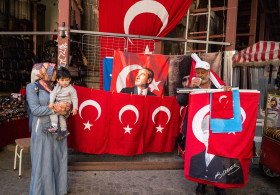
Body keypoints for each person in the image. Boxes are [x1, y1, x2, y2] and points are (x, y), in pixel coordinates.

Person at [177, 60, 232, 195]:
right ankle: (201, 183)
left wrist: (227, 91)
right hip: (198, 126)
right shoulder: (192, 86)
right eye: (198, 72)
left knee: (217, 156)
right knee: (200, 153)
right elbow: (180, 101)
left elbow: (228, 102)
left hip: (215, 126)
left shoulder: (218, 86)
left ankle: (219, 186)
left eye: (203, 72)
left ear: (208, 73)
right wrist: (190, 88)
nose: (200, 75)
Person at [27, 62, 70, 195]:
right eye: (52, 69)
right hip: (42, 129)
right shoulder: (32, 87)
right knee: (42, 162)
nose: (55, 70)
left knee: (58, 160)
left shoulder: (59, 87)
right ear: (42, 72)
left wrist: (65, 110)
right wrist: (56, 109)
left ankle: (59, 190)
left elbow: (66, 109)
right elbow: (35, 110)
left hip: (57, 130)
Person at [45, 67, 78, 141]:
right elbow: (53, 94)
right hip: (57, 103)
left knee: (54, 112)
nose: (65, 82)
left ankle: (54, 126)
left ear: (70, 79)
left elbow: (74, 98)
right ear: (58, 80)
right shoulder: (57, 87)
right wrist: (51, 102)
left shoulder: (71, 89)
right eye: (62, 80)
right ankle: (63, 130)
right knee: (60, 116)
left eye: (67, 80)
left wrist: (75, 108)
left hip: (65, 105)